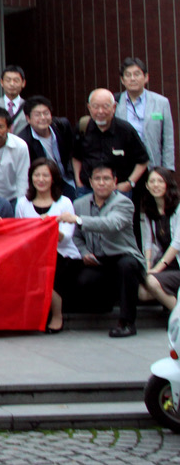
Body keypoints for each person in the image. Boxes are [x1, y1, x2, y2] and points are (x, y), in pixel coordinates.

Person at [59, 163, 147, 337]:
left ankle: (127, 323)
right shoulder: (80, 204)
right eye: (97, 179)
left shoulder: (124, 203)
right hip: (97, 259)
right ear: (91, 182)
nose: (101, 183)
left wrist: (79, 220)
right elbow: (76, 236)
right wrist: (84, 252)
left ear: (115, 182)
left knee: (127, 266)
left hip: (123, 256)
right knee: (80, 277)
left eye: (106, 179)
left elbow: (111, 224)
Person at [14, 158, 80, 334]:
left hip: (63, 254)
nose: (41, 179)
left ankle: (57, 315)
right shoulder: (22, 203)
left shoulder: (64, 202)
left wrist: (48, 227)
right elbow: (20, 234)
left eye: (45, 175)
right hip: (33, 254)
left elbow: (66, 237)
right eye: (37, 175)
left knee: (46, 266)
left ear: (53, 178)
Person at [73, 88, 149, 195]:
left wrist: (130, 183)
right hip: (87, 190)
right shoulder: (82, 127)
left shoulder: (126, 130)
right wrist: (78, 181)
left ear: (114, 107)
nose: (100, 111)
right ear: (89, 108)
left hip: (118, 191)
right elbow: (76, 157)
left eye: (105, 106)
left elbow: (143, 160)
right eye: (95, 107)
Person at [116, 57, 175, 171]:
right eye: (128, 75)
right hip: (124, 166)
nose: (132, 79)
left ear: (146, 77)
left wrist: (167, 169)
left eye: (137, 74)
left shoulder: (161, 102)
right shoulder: (115, 103)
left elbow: (168, 139)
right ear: (122, 80)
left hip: (152, 165)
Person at [137, 167, 180, 312]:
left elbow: (177, 243)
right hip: (167, 265)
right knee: (142, 293)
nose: (156, 185)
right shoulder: (148, 210)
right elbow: (147, 242)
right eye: (152, 181)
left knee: (152, 282)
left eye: (160, 181)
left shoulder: (178, 208)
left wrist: (156, 269)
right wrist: (148, 267)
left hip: (176, 264)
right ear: (147, 186)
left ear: (168, 184)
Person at [19, 96, 76, 189]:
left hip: (67, 179)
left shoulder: (62, 126)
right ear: (28, 118)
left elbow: (72, 152)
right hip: (43, 184)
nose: (43, 118)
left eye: (46, 113)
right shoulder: (24, 140)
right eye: (37, 115)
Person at [0, 65, 29, 133]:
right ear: (2, 82)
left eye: (16, 80)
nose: (12, 84)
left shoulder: (28, 107)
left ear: (23, 83)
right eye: (8, 80)